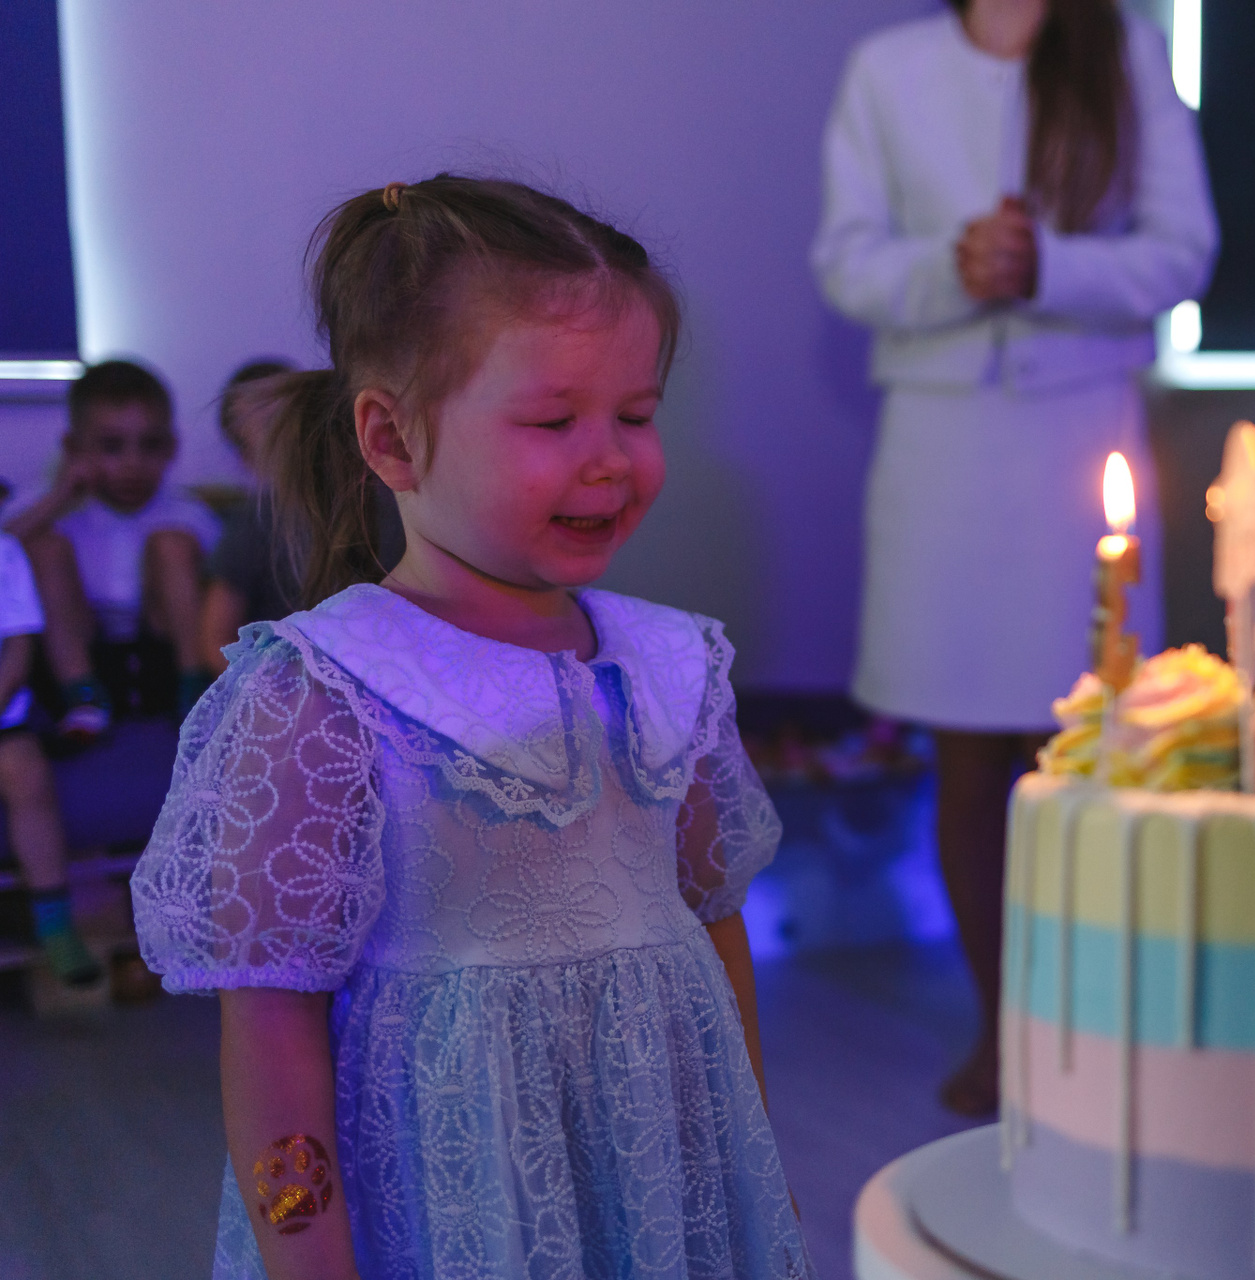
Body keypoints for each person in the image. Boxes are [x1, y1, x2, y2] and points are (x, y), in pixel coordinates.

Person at [130, 176, 811, 1280]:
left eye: (637, 415)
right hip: (455, 1200)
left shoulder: (673, 667)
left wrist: (752, 1160)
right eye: (553, 420)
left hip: (663, 1178)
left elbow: (713, 922)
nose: (611, 457)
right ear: (393, 440)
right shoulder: (324, 689)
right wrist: (307, 1256)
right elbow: (270, 1023)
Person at [812, 0, 1217, 1114]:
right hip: (939, 442)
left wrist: (1051, 266)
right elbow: (846, 262)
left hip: (1076, 433)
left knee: (1083, 747)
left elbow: (1183, 251)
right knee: (968, 753)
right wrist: (956, 266)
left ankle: (1090, 1024)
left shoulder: (1124, 50)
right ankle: (1002, 1025)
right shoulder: (888, 67)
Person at [3, 359, 222, 742]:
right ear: (73, 449)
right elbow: (3, 552)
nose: (132, 464)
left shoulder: (188, 513)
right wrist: (58, 499)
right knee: (43, 546)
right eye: (111, 447)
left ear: (171, 448)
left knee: (173, 544)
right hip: (76, 660)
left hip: (162, 658)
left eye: (150, 445)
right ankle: (82, 699)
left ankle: (197, 692)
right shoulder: (48, 505)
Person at [0, 530, 102, 987]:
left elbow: (18, 651)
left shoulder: (5, 552)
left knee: (29, 777)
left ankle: (55, 925)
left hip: (2, 714)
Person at [198, 359, 299, 674]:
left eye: (294, 419)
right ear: (244, 455)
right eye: (270, 428)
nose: (290, 438)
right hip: (283, 680)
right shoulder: (256, 521)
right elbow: (217, 637)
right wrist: (270, 692)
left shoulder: (377, 505)